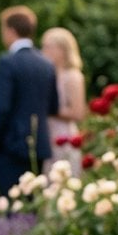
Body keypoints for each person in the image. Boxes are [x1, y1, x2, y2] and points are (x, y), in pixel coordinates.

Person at [0, 7, 59, 198]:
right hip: (39, 142)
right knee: (32, 202)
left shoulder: (8, 62)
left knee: (12, 201)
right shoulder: (46, 63)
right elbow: (53, 106)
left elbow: (2, 107)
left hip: (11, 144)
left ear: (11, 30)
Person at [40, 26, 87, 175]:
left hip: (64, 135)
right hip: (48, 133)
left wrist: (49, 109)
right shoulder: (49, 74)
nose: (42, 51)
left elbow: (78, 112)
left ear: (62, 49)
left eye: (47, 47)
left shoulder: (72, 76)